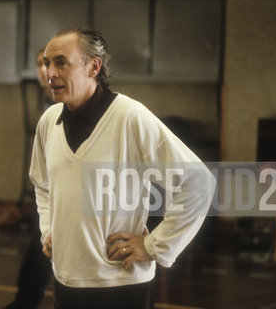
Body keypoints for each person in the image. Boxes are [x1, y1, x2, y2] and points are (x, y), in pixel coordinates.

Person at [29, 27, 215, 309]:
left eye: (61, 62)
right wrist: (48, 230)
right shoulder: (48, 121)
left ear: (93, 66)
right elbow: (42, 184)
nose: (49, 73)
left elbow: (198, 182)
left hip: (122, 286)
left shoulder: (130, 116)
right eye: (47, 63)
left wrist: (154, 245)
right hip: (66, 282)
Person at [5, 48, 53, 309]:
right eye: (41, 63)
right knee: (39, 251)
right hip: (48, 196)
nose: (45, 70)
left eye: (53, 62)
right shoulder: (48, 102)